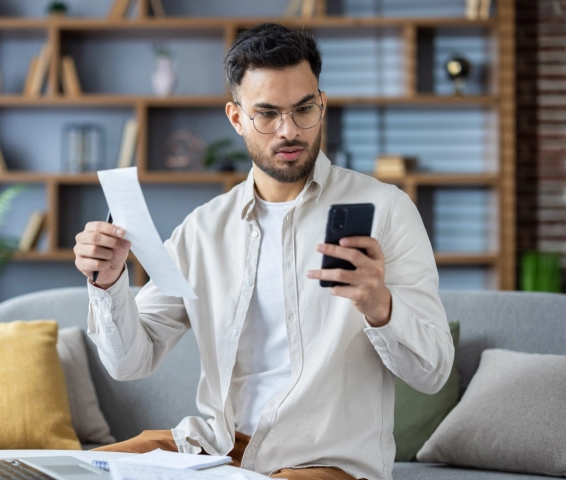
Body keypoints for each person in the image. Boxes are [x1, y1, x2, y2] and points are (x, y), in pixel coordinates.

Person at [73, 22, 454, 480]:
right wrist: (109, 283)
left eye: (303, 109)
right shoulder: (204, 229)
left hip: (322, 461)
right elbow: (129, 362)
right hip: (214, 448)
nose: (289, 131)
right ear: (237, 118)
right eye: (267, 113)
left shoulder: (387, 211)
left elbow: (433, 373)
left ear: (322, 103)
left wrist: (380, 306)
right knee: (83, 471)